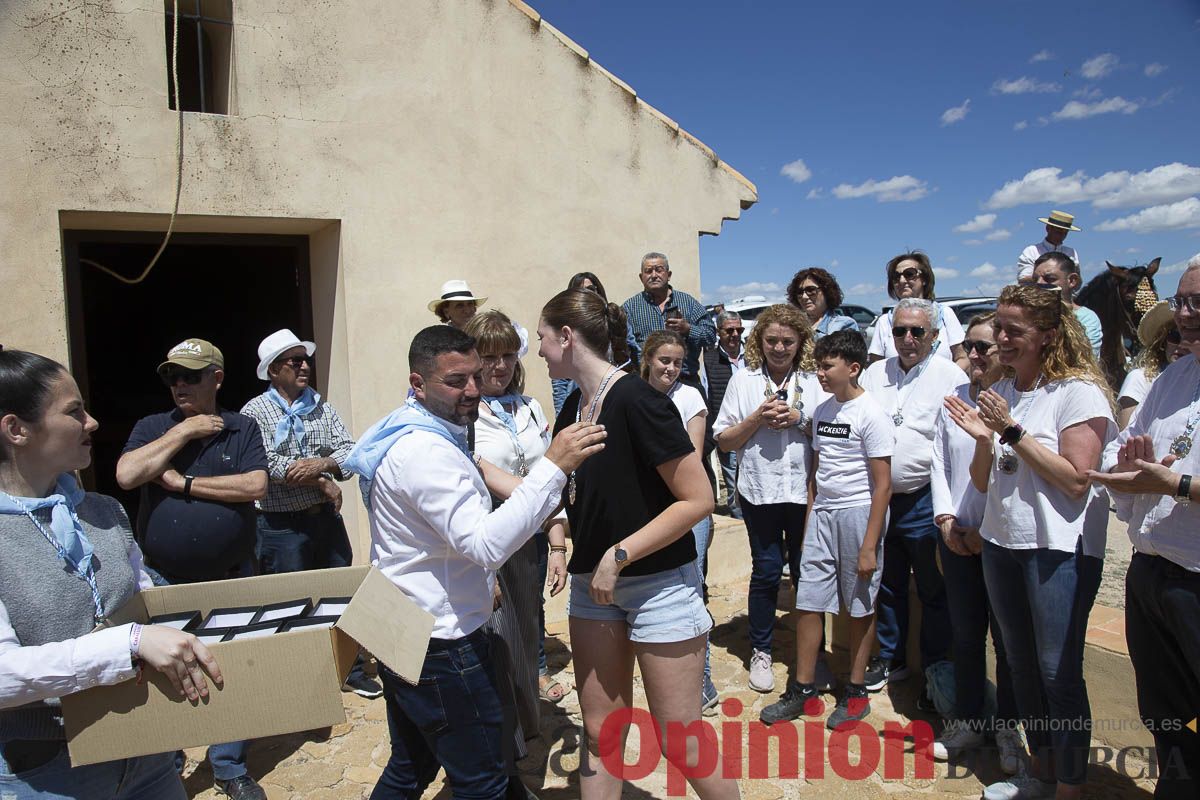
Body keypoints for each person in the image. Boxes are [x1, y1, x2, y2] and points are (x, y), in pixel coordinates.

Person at [345, 325, 605, 800]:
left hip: (405, 624)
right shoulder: (425, 451)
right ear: (417, 383)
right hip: (441, 644)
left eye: (474, 376)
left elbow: (435, 542)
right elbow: (484, 545)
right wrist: (553, 466)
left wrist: (482, 584)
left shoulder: (415, 430)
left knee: (411, 766)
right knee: (482, 779)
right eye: (455, 380)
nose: (472, 390)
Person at [539, 288, 739, 799]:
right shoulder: (573, 412)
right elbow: (548, 493)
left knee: (681, 741)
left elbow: (698, 498)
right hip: (592, 589)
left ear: (567, 336)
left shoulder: (638, 401)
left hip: (657, 589)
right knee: (602, 731)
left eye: (542, 338)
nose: (538, 351)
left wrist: (619, 553)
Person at [0, 349, 222, 798]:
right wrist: (128, 643)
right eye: (74, 411)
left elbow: (145, 603)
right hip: (50, 773)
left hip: (149, 755)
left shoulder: (103, 512)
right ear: (16, 430)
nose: (93, 422)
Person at [945, 284, 1114, 800]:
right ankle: (1040, 772)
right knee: (1018, 665)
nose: (1000, 338)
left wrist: (1011, 431)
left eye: (1012, 330)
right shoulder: (1009, 389)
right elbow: (984, 480)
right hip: (1002, 544)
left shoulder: (1078, 392)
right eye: (999, 327)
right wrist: (982, 437)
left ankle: (1069, 787)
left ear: (1048, 335)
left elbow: (1075, 479)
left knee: (1057, 672)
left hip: (1057, 549)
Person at [116, 338, 269, 800]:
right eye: (172, 377)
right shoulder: (153, 427)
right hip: (163, 576)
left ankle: (228, 766)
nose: (179, 384)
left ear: (216, 378)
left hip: (231, 575)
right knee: (163, 673)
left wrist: (183, 483)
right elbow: (127, 475)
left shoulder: (242, 428)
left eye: (191, 376)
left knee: (231, 672)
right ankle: (167, 760)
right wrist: (183, 432)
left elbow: (255, 484)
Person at [1090, 255, 1200, 799]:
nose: (1186, 313)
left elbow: (1166, 477)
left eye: (1198, 303)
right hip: (1152, 572)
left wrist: (1173, 484)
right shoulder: (1174, 377)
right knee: (1165, 713)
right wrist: (1128, 472)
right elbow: (1120, 450)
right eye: (1182, 301)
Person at [759, 330, 893, 727]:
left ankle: (854, 691)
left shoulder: (872, 414)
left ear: (853, 368)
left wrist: (870, 544)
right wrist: (809, 520)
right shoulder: (824, 411)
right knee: (809, 601)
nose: (819, 373)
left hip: (858, 514)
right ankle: (802, 688)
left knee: (859, 605)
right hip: (822, 516)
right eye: (817, 365)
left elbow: (883, 484)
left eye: (827, 365)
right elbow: (817, 472)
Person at [239, 329, 381, 699]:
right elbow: (267, 463)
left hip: (324, 521)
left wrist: (322, 464)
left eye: (305, 360)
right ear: (273, 371)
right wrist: (322, 480)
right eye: (294, 361)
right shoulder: (254, 412)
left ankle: (347, 668)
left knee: (338, 596)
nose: (304, 366)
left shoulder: (321, 405)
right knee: (291, 603)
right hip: (280, 526)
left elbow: (351, 453)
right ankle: (302, 683)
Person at [463, 309, 566, 767]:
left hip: (532, 540)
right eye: (488, 357)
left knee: (527, 635)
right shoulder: (465, 415)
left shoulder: (529, 407)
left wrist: (558, 541)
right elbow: (489, 476)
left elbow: (551, 475)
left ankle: (525, 728)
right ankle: (503, 741)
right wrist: (544, 507)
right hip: (488, 544)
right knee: (497, 644)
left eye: (507, 355)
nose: (499, 366)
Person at [712, 304, 832, 694]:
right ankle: (761, 649)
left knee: (806, 573)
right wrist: (756, 419)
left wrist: (798, 419)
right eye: (772, 341)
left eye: (788, 341)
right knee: (766, 571)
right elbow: (724, 439)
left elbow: (833, 433)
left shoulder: (815, 381)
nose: (779, 348)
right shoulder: (743, 381)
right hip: (759, 491)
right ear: (759, 342)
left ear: (800, 344)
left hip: (804, 491)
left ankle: (814, 653)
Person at [927, 313, 1023, 771]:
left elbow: (1013, 477)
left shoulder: (1013, 404)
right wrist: (946, 520)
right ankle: (967, 719)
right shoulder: (953, 402)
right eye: (971, 346)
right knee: (965, 635)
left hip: (997, 540)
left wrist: (985, 531)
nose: (978, 354)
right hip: (957, 538)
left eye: (985, 346)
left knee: (1006, 642)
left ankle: (1008, 729)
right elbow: (938, 464)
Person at [860, 298, 967, 692]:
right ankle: (891, 658)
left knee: (931, 585)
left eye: (917, 331)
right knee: (887, 583)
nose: (907, 338)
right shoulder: (874, 373)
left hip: (924, 499)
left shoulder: (951, 376)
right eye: (900, 330)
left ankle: (936, 669)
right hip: (881, 498)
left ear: (935, 337)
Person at [640, 329, 719, 711]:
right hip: (646, 505)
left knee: (692, 584)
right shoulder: (636, 394)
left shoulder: (690, 398)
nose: (670, 368)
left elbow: (693, 452)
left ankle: (701, 679)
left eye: (677, 362)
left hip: (684, 505)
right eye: (664, 361)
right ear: (648, 359)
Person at [621, 252, 716, 389]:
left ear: (669, 274)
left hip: (686, 382)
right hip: (646, 385)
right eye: (648, 271)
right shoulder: (629, 308)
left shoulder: (688, 303)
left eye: (659, 270)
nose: (654, 275)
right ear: (641, 277)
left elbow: (711, 336)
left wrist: (688, 329)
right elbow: (622, 347)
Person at [552, 272, 636, 415]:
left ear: (599, 291)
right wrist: (562, 413)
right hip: (580, 398)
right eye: (580, 290)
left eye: (590, 289)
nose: (586, 294)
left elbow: (634, 353)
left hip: (615, 390)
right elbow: (560, 379)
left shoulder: (614, 319)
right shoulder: (567, 326)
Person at [867, 252, 967, 368]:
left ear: (924, 279)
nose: (902, 280)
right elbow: (876, 365)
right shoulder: (885, 321)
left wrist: (945, 382)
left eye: (909, 274)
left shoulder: (944, 315)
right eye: (896, 276)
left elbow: (963, 357)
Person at [702, 310, 746, 519]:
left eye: (739, 329)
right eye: (730, 330)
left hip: (756, 431)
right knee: (734, 486)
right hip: (728, 433)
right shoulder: (709, 360)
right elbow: (707, 397)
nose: (735, 334)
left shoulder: (755, 357)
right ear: (719, 331)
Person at [1116, 300, 1187, 429]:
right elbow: (1125, 436)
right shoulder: (1140, 379)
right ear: (1163, 340)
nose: (1182, 345)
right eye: (1175, 337)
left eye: (1189, 338)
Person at [1032, 251, 1103, 358]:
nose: (1039, 284)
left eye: (1050, 279)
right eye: (1035, 279)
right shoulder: (1027, 314)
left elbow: (1085, 359)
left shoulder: (1087, 318)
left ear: (1072, 281)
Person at [787, 267, 859, 339]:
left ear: (826, 292)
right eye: (799, 292)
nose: (804, 296)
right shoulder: (792, 325)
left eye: (811, 290)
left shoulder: (844, 325)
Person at [1016, 209, 1081, 284]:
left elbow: (1077, 282)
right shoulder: (1032, 251)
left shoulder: (1071, 252)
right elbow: (1023, 279)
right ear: (1048, 228)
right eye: (1058, 231)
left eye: (1065, 232)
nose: (1061, 235)